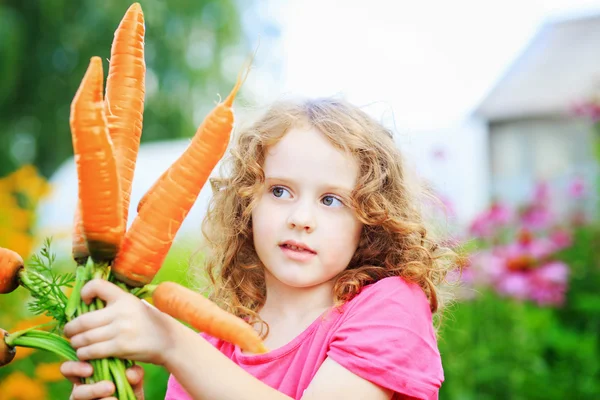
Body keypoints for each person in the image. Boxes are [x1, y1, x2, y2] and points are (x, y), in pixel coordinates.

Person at [60, 97, 457, 400]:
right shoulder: (212, 348)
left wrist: (168, 341)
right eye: (280, 191)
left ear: (371, 219)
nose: (301, 217)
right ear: (247, 205)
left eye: (331, 200)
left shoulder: (390, 307)